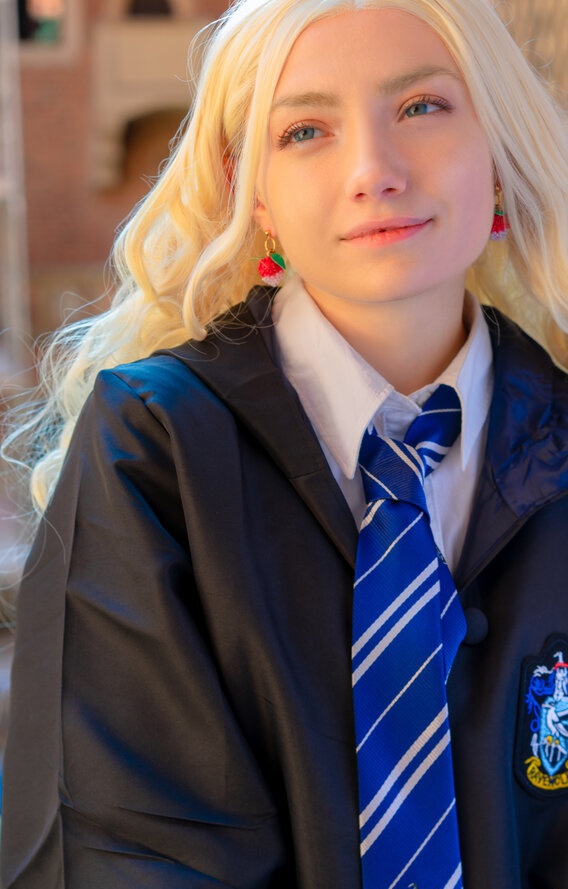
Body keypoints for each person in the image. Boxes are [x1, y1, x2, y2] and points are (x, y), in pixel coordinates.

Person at [2, 0, 568, 886]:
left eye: (421, 106)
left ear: (496, 147)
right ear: (252, 191)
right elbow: (119, 844)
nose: (373, 170)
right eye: (305, 130)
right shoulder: (154, 452)